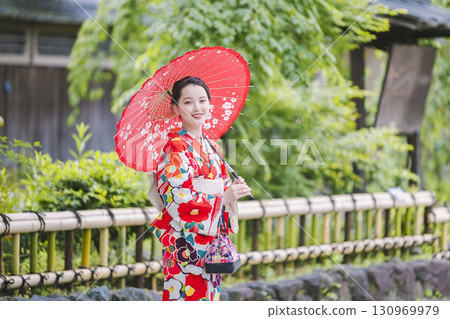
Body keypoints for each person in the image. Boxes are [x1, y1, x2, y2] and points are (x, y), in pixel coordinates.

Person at [149, 76, 251, 301]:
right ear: (175, 108)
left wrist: (232, 190)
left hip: (212, 239)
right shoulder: (175, 147)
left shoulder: (212, 145)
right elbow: (177, 198)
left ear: (210, 104)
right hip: (186, 240)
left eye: (202, 101)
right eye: (188, 102)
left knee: (208, 297)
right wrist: (223, 197)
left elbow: (222, 186)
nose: (197, 108)